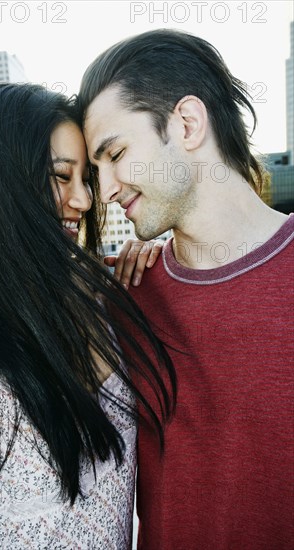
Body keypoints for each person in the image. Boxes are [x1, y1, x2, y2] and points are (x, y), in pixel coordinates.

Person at [0, 83, 177, 549]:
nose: (85, 201)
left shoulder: (106, 297)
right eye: (63, 177)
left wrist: (159, 254)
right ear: (0, 184)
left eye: (86, 179)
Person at [78, 29, 294, 549]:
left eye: (116, 153)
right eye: (94, 169)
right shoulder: (122, 292)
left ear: (188, 124)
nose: (103, 191)